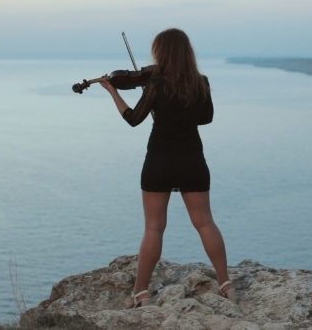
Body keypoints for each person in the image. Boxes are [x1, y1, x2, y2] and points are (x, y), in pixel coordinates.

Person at [99, 28, 235, 309]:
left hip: (160, 160)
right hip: (192, 160)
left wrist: (113, 91)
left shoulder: (155, 85)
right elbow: (206, 118)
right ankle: (225, 283)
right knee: (205, 222)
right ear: (187, 53)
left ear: (161, 53)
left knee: (154, 228)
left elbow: (134, 119)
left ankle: (141, 292)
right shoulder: (201, 82)